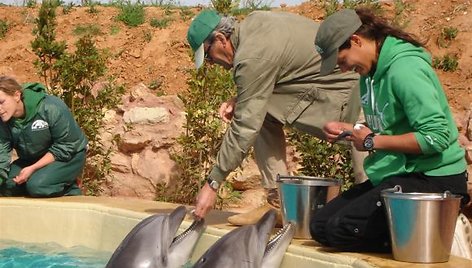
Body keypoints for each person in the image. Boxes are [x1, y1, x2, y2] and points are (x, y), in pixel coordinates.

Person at [310, 8, 470, 252]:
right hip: (398, 175)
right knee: (320, 226)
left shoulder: (405, 69)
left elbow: (435, 137)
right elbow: (387, 127)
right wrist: (351, 129)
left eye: (342, 61)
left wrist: (373, 142)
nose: (342, 69)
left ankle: (437, 233)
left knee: (340, 229)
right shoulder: (369, 75)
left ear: (356, 41)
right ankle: (415, 233)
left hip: (434, 179)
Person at [187, 9, 367, 224]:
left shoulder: (252, 55)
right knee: (256, 109)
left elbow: (245, 125)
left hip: (351, 99)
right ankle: (279, 202)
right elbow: (284, 70)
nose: (211, 63)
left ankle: (377, 216)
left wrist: (213, 183)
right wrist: (241, 98)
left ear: (221, 39)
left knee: (369, 184)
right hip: (334, 89)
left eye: (208, 55)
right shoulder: (256, 23)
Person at [0, 76, 88, 197]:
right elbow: (2, 153)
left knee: (37, 186)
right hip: (32, 158)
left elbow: (66, 146)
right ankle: (45, 181)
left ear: (16, 95)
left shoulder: (51, 107)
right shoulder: (3, 121)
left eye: (1, 102)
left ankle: (70, 187)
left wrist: (33, 168)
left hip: (67, 157)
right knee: (6, 187)